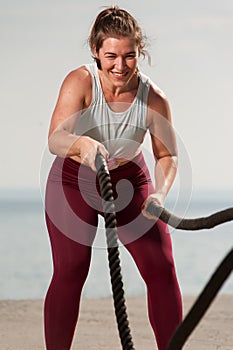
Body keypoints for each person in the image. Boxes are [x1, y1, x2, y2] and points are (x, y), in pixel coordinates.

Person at [44, 6, 182, 350]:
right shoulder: (80, 82)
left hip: (130, 180)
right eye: (111, 56)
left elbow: (167, 155)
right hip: (73, 178)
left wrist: (160, 194)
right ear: (96, 51)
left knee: (161, 268)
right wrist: (81, 143)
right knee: (72, 268)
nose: (120, 66)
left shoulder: (155, 99)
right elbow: (55, 138)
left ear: (139, 53)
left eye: (129, 56)